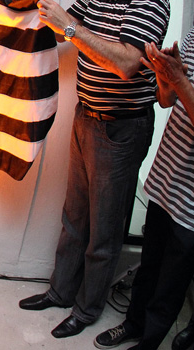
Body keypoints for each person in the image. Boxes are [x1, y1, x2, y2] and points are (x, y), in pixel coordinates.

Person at [17, 0, 170, 339]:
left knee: (103, 230)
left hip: (121, 130)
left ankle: (86, 309)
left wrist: (72, 29)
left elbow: (126, 62)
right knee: (73, 216)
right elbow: (64, 22)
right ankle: (61, 292)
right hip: (86, 119)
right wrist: (14, 6)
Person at [93, 33, 194, 349]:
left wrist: (179, 80)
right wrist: (167, 78)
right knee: (150, 264)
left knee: (172, 280)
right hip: (168, 174)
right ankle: (133, 324)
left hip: (191, 196)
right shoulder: (192, 39)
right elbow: (167, 101)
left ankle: (149, 342)